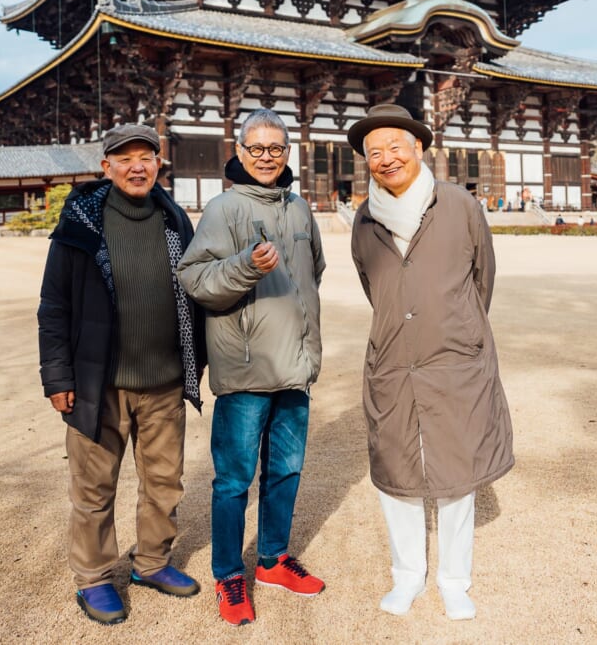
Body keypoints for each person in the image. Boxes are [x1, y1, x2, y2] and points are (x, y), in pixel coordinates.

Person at [346, 104, 514, 622]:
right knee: (397, 470)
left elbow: (482, 277)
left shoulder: (459, 204)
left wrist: (456, 326)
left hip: (453, 358)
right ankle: (407, 575)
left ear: (418, 147)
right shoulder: (365, 218)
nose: (386, 158)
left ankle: (454, 580)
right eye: (375, 152)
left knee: (456, 474)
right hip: (393, 356)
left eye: (395, 146)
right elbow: (373, 285)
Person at [37, 123, 206, 625]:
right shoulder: (80, 225)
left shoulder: (175, 219)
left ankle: (151, 562)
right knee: (94, 488)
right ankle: (93, 577)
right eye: (125, 158)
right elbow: (53, 306)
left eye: (146, 157)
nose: (137, 167)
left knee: (164, 483)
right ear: (106, 166)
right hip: (99, 384)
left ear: (158, 164)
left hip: (164, 382)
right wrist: (58, 378)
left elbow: (195, 290)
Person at [177, 108, 326, 626]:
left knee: (286, 470)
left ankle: (272, 559)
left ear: (288, 152)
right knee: (233, 480)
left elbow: (314, 272)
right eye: (256, 148)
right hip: (245, 369)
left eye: (276, 148)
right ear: (239, 152)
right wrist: (245, 267)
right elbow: (194, 279)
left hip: (295, 365)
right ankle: (228, 574)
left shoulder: (300, 209)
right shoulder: (223, 208)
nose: (266, 157)